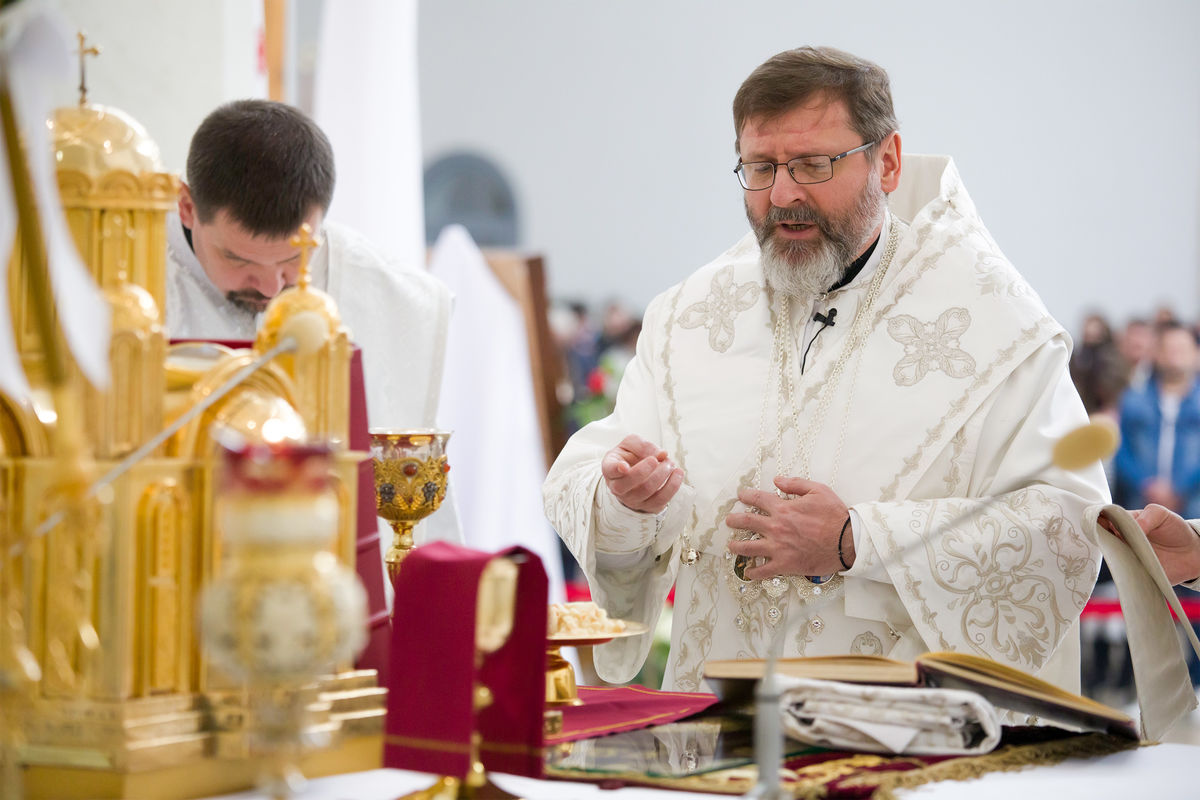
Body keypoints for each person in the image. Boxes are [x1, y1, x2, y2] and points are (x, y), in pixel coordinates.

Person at [543, 47, 1108, 695]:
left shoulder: (995, 326)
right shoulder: (692, 318)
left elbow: (1064, 525)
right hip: (714, 730)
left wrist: (855, 540)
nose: (783, 194)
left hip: (903, 734)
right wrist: (626, 504)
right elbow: (597, 490)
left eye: (813, 164)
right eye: (759, 167)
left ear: (886, 161)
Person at [165, 99, 451, 434]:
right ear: (187, 208)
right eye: (239, 259)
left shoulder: (396, 298)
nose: (271, 287)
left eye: (293, 258)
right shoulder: (129, 283)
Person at [1113, 322, 1200, 519]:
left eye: (1182, 349)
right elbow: (1121, 448)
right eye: (1169, 349)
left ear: (1195, 353)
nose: (1174, 355)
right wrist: (1145, 484)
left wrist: (1180, 488)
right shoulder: (1133, 400)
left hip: (1193, 508)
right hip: (1141, 505)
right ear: (1156, 353)